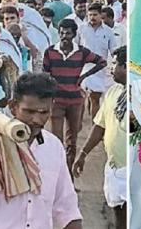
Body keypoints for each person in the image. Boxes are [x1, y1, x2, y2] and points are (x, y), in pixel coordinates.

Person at [0, 73, 83, 229]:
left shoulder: (53, 147)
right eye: (29, 112)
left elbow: (66, 208)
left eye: (44, 112)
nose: (37, 120)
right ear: (13, 107)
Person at [73, 46, 127, 229]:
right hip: (113, 167)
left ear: (127, 67)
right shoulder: (112, 92)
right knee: (118, 213)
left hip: (132, 170)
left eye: (115, 64)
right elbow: (100, 125)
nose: (111, 69)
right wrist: (83, 153)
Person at [43, 19, 106, 172]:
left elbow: (102, 62)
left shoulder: (82, 52)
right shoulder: (50, 52)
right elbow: (45, 74)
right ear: (58, 33)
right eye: (62, 33)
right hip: (56, 101)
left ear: (74, 34)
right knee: (56, 141)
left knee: (72, 142)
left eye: (68, 33)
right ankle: (58, 176)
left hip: (75, 101)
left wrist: (84, 76)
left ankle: (68, 178)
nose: (64, 36)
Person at [78, 4, 117, 121]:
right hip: (83, 68)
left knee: (95, 98)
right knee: (83, 97)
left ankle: (94, 125)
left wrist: (115, 65)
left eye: (95, 15)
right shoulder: (81, 29)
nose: (92, 17)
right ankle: (78, 125)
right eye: (90, 15)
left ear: (101, 15)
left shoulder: (109, 32)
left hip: (100, 69)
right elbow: (75, 46)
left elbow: (113, 50)